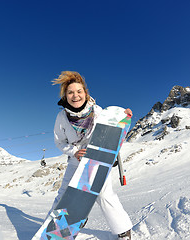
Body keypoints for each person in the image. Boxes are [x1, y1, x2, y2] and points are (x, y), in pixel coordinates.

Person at [49, 71, 133, 239]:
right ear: (65, 96)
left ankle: (123, 231)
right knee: (64, 195)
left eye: (79, 91)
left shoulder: (98, 111)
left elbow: (113, 130)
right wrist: (74, 151)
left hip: (96, 160)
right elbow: (60, 142)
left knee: (104, 194)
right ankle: (58, 231)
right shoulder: (62, 117)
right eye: (71, 92)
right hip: (75, 161)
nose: (75, 95)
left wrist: (124, 119)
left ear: (85, 93)